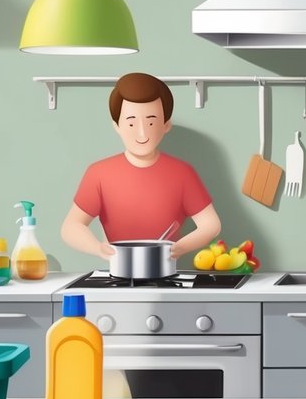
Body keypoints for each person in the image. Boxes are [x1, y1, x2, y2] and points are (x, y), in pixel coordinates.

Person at [62, 72, 220, 261]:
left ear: (166, 125)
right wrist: (98, 248)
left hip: (167, 275)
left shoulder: (182, 173)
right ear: (117, 126)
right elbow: (71, 227)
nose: (142, 133)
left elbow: (211, 224)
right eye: (131, 123)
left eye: (151, 122)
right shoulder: (98, 173)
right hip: (118, 276)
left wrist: (177, 248)